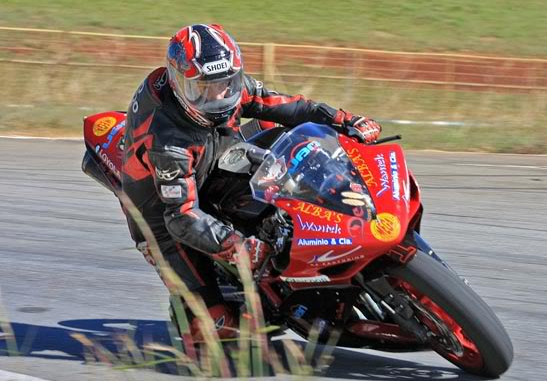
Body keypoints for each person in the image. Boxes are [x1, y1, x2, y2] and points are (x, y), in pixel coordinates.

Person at [121, 23, 381, 346]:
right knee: (216, 327)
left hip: (214, 153)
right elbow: (182, 215)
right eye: (203, 88)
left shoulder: (230, 88)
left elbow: (290, 107)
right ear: (179, 85)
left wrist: (344, 120)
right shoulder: (168, 140)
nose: (218, 95)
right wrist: (237, 246)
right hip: (160, 208)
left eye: (225, 83)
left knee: (282, 136)